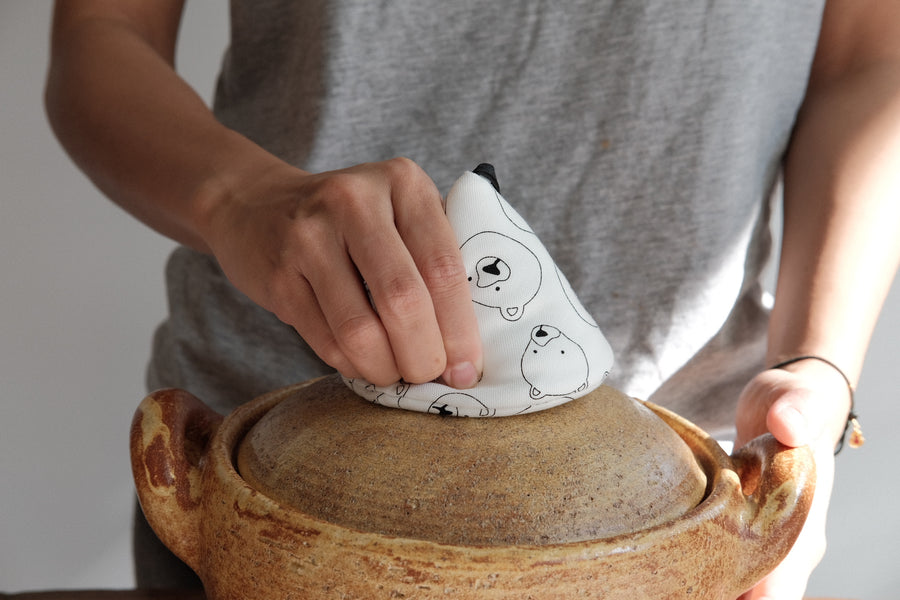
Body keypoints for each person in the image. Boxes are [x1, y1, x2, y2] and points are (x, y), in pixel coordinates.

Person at [45, 1, 900, 598]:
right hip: (257, 486)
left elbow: (871, 59)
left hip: (685, 508)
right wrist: (237, 199)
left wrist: (813, 372)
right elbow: (100, 30)